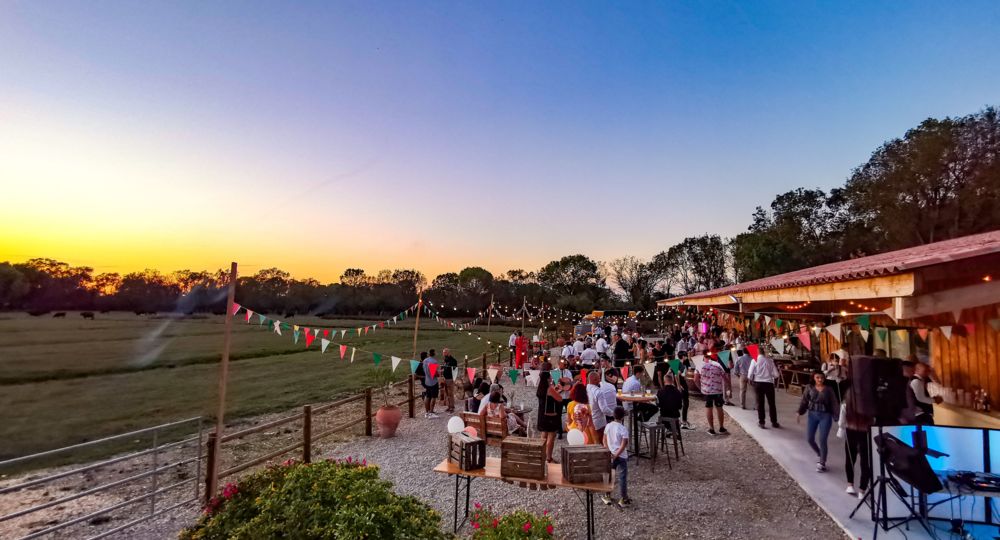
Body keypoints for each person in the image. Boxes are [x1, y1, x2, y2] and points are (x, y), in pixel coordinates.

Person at [797, 371, 840, 472]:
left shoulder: (829, 389)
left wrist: (838, 417)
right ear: (813, 378)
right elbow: (804, 400)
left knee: (822, 439)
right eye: (817, 377)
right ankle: (820, 453)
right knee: (810, 439)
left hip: (825, 416)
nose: (820, 379)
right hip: (812, 415)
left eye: (822, 378)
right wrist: (799, 412)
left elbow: (834, 403)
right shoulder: (809, 387)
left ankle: (822, 462)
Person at [842, 387, 872, 499]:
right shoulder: (868, 398)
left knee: (851, 458)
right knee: (864, 460)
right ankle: (861, 490)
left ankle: (851, 485)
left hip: (852, 429)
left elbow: (842, 414)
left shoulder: (850, 394)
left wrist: (841, 427)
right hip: (863, 430)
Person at [602, 406, 631, 507]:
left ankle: (607, 495)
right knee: (622, 477)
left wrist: (609, 452)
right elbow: (624, 444)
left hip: (610, 455)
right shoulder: (623, 429)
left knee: (609, 475)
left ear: (613, 415)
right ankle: (623, 498)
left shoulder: (608, 426)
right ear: (623, 417)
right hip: (621, 456)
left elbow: (604, 440)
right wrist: (617, 454)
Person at [694, 352, 728, 435]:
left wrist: (700, 388)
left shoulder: (699, 365)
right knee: (719, 408)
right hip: (718, 390)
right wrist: (728, 388)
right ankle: (721, 428)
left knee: (709, 407)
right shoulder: (718, 365)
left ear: (703, 357)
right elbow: (725, 377)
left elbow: (695, 379)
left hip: (707, 391)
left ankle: (712, 429)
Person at [748, 352, 781, 428]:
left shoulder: (754, 360)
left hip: (758, 383)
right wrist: (769, 375)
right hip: (769, 384)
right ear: (764, 353)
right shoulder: (770, 360)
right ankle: (774, 422)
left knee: (760, 403)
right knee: (772, 403)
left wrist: (751, 379)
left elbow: (750, 374)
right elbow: (776, 375)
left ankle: (762, 422)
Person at [536, 371, 563, 463]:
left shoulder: (540, 388)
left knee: (544, 435)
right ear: (547, 379)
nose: (551, 378)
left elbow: (550, 395)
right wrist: (559, 390)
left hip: (542, 414)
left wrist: (555, 390)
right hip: (550, 415)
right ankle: (549, 457)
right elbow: (559, 398)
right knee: (551, 437)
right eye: (550, 377)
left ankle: (542, 455)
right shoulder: (549, 389)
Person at [586, 371, 609, 440]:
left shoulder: (586, 388)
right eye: (599, 379)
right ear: (595, 380)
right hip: (599, 423)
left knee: (592, 442)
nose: (600, 381)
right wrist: (614, 413)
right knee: (601, 442)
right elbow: (604, 409)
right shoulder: (598, 392)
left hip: (589, 422)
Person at [422, 350, 440, 418]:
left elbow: (424, 370)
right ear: (434, 353)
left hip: (427, 381)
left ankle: (427, 412)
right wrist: (439, 374)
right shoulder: (434, 361)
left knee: (427, 396)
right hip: (433, 382)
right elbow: (434, 373)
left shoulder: (425, 360)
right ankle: (431, 413)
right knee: (433, 397)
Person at [441, 348, 458, 413]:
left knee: (450, 393)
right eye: (443, 353)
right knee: (447, 393)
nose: (443, 354)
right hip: (445, 378)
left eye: (444, 352)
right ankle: (449, 406)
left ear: (448, 353)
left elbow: (455, 370)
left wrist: (454, 379)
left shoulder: (453, 361)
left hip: (450, 379)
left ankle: (452, 407)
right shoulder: (445, 360)